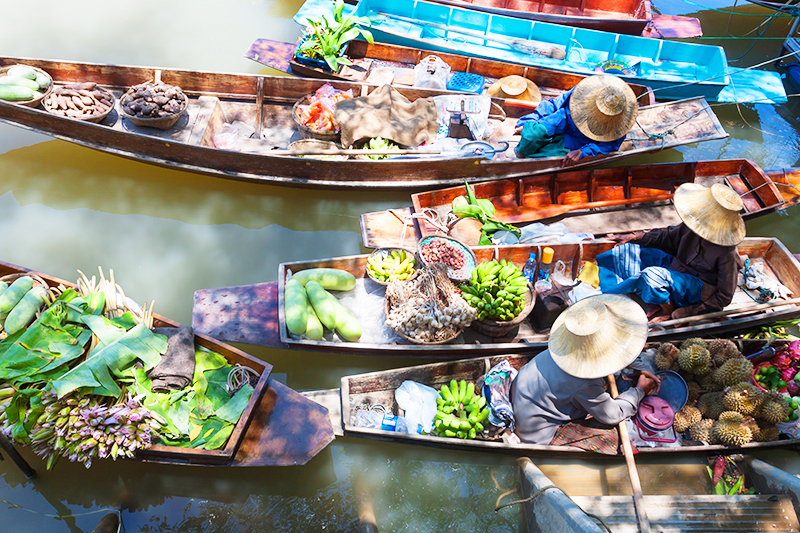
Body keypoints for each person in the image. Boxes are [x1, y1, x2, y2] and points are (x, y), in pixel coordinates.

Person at [511, 294, 660, 451]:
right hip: (536, 435)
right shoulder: (583, 382)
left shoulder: (564, 348)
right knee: (611, 439)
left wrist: (639, 366)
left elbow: (617, 349)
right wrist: (639, 391)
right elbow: (612, 415)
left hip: (525, 403)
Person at [602, 182, 746, 322]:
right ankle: (656, 300)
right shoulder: (693, 226)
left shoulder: (727, 253)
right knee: (626, 252)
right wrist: (635, 236)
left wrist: (685, 313)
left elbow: (724, 297)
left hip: (696, 287)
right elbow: (666, 237)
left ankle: (666, 309)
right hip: (676, 267)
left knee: (651, 276)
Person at [513, 74, 638, 167]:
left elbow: (608, 146)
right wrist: (531, 120)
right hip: (560, 120)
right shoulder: (586, 90)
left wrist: (582, 152)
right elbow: (555, 103)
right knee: (532, 135)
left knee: (542, 159)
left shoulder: (619, 123)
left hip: (577, 141)